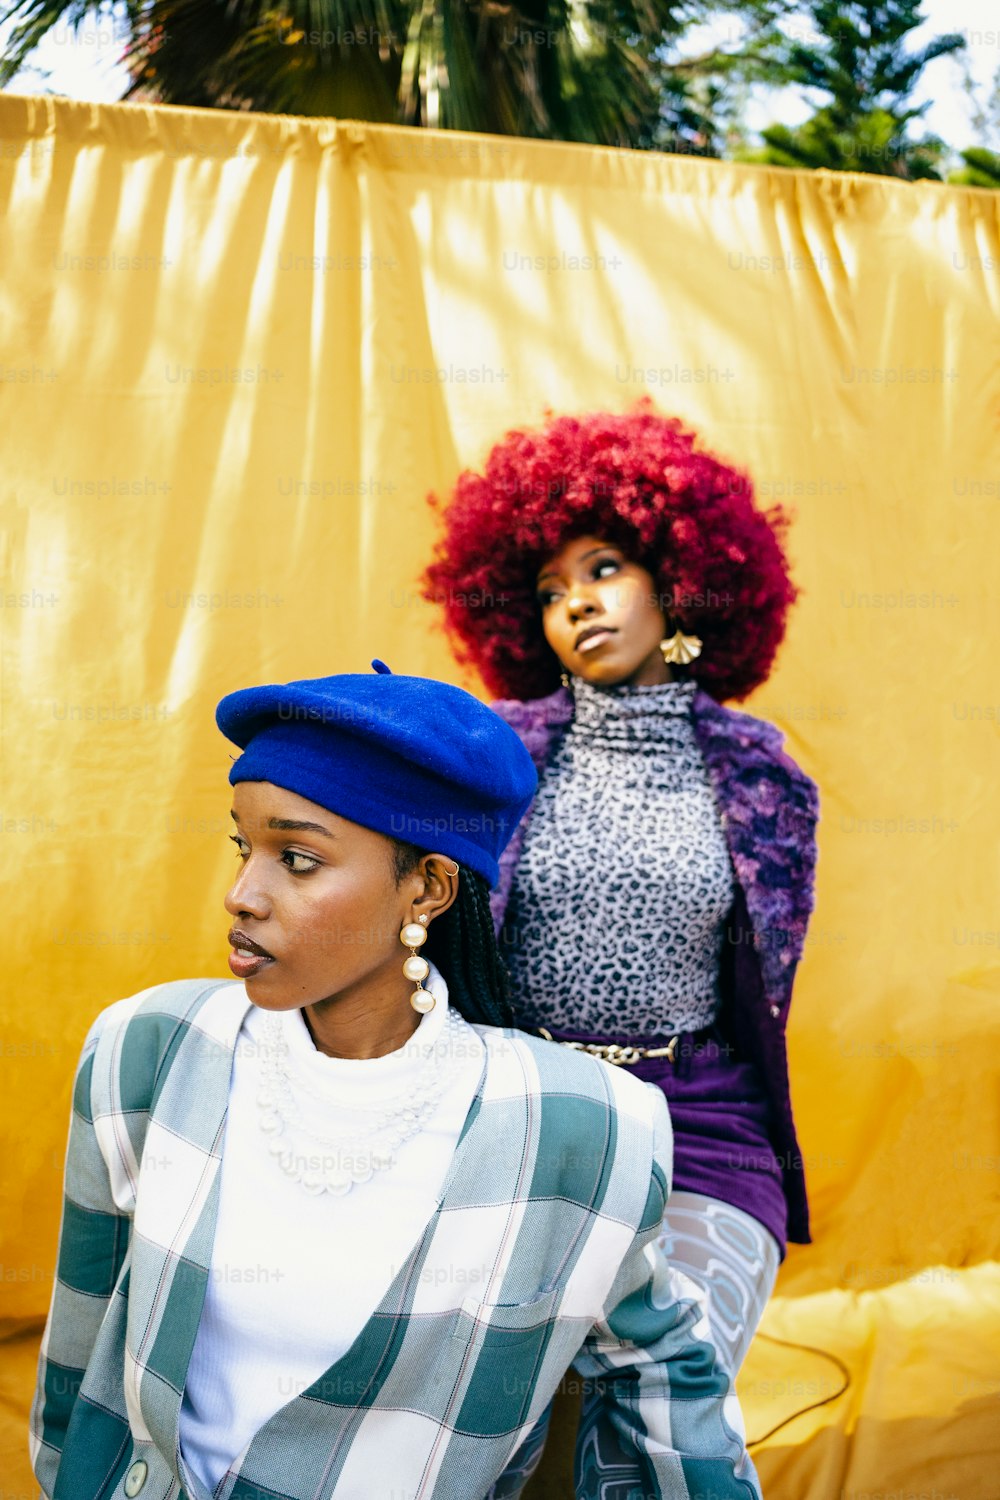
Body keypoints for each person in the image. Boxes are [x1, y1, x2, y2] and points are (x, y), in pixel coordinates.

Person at [30, 661, 763, 1500]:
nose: (241, 894)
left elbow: (665, 1392)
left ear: (427, 888)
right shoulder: (146, 1052)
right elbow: (79, 1356)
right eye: (245, 846)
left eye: (297, 859)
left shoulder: (581, 1129)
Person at [422, 403, 820, 1382]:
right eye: (552, 589)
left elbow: (764, 995)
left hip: (701, 1129)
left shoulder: (761, 782)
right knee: (481, 1408)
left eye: (604, 569)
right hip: (519, 1119)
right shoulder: (493, 758)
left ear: (678, 579)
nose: (578, 604)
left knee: (658, 1388)